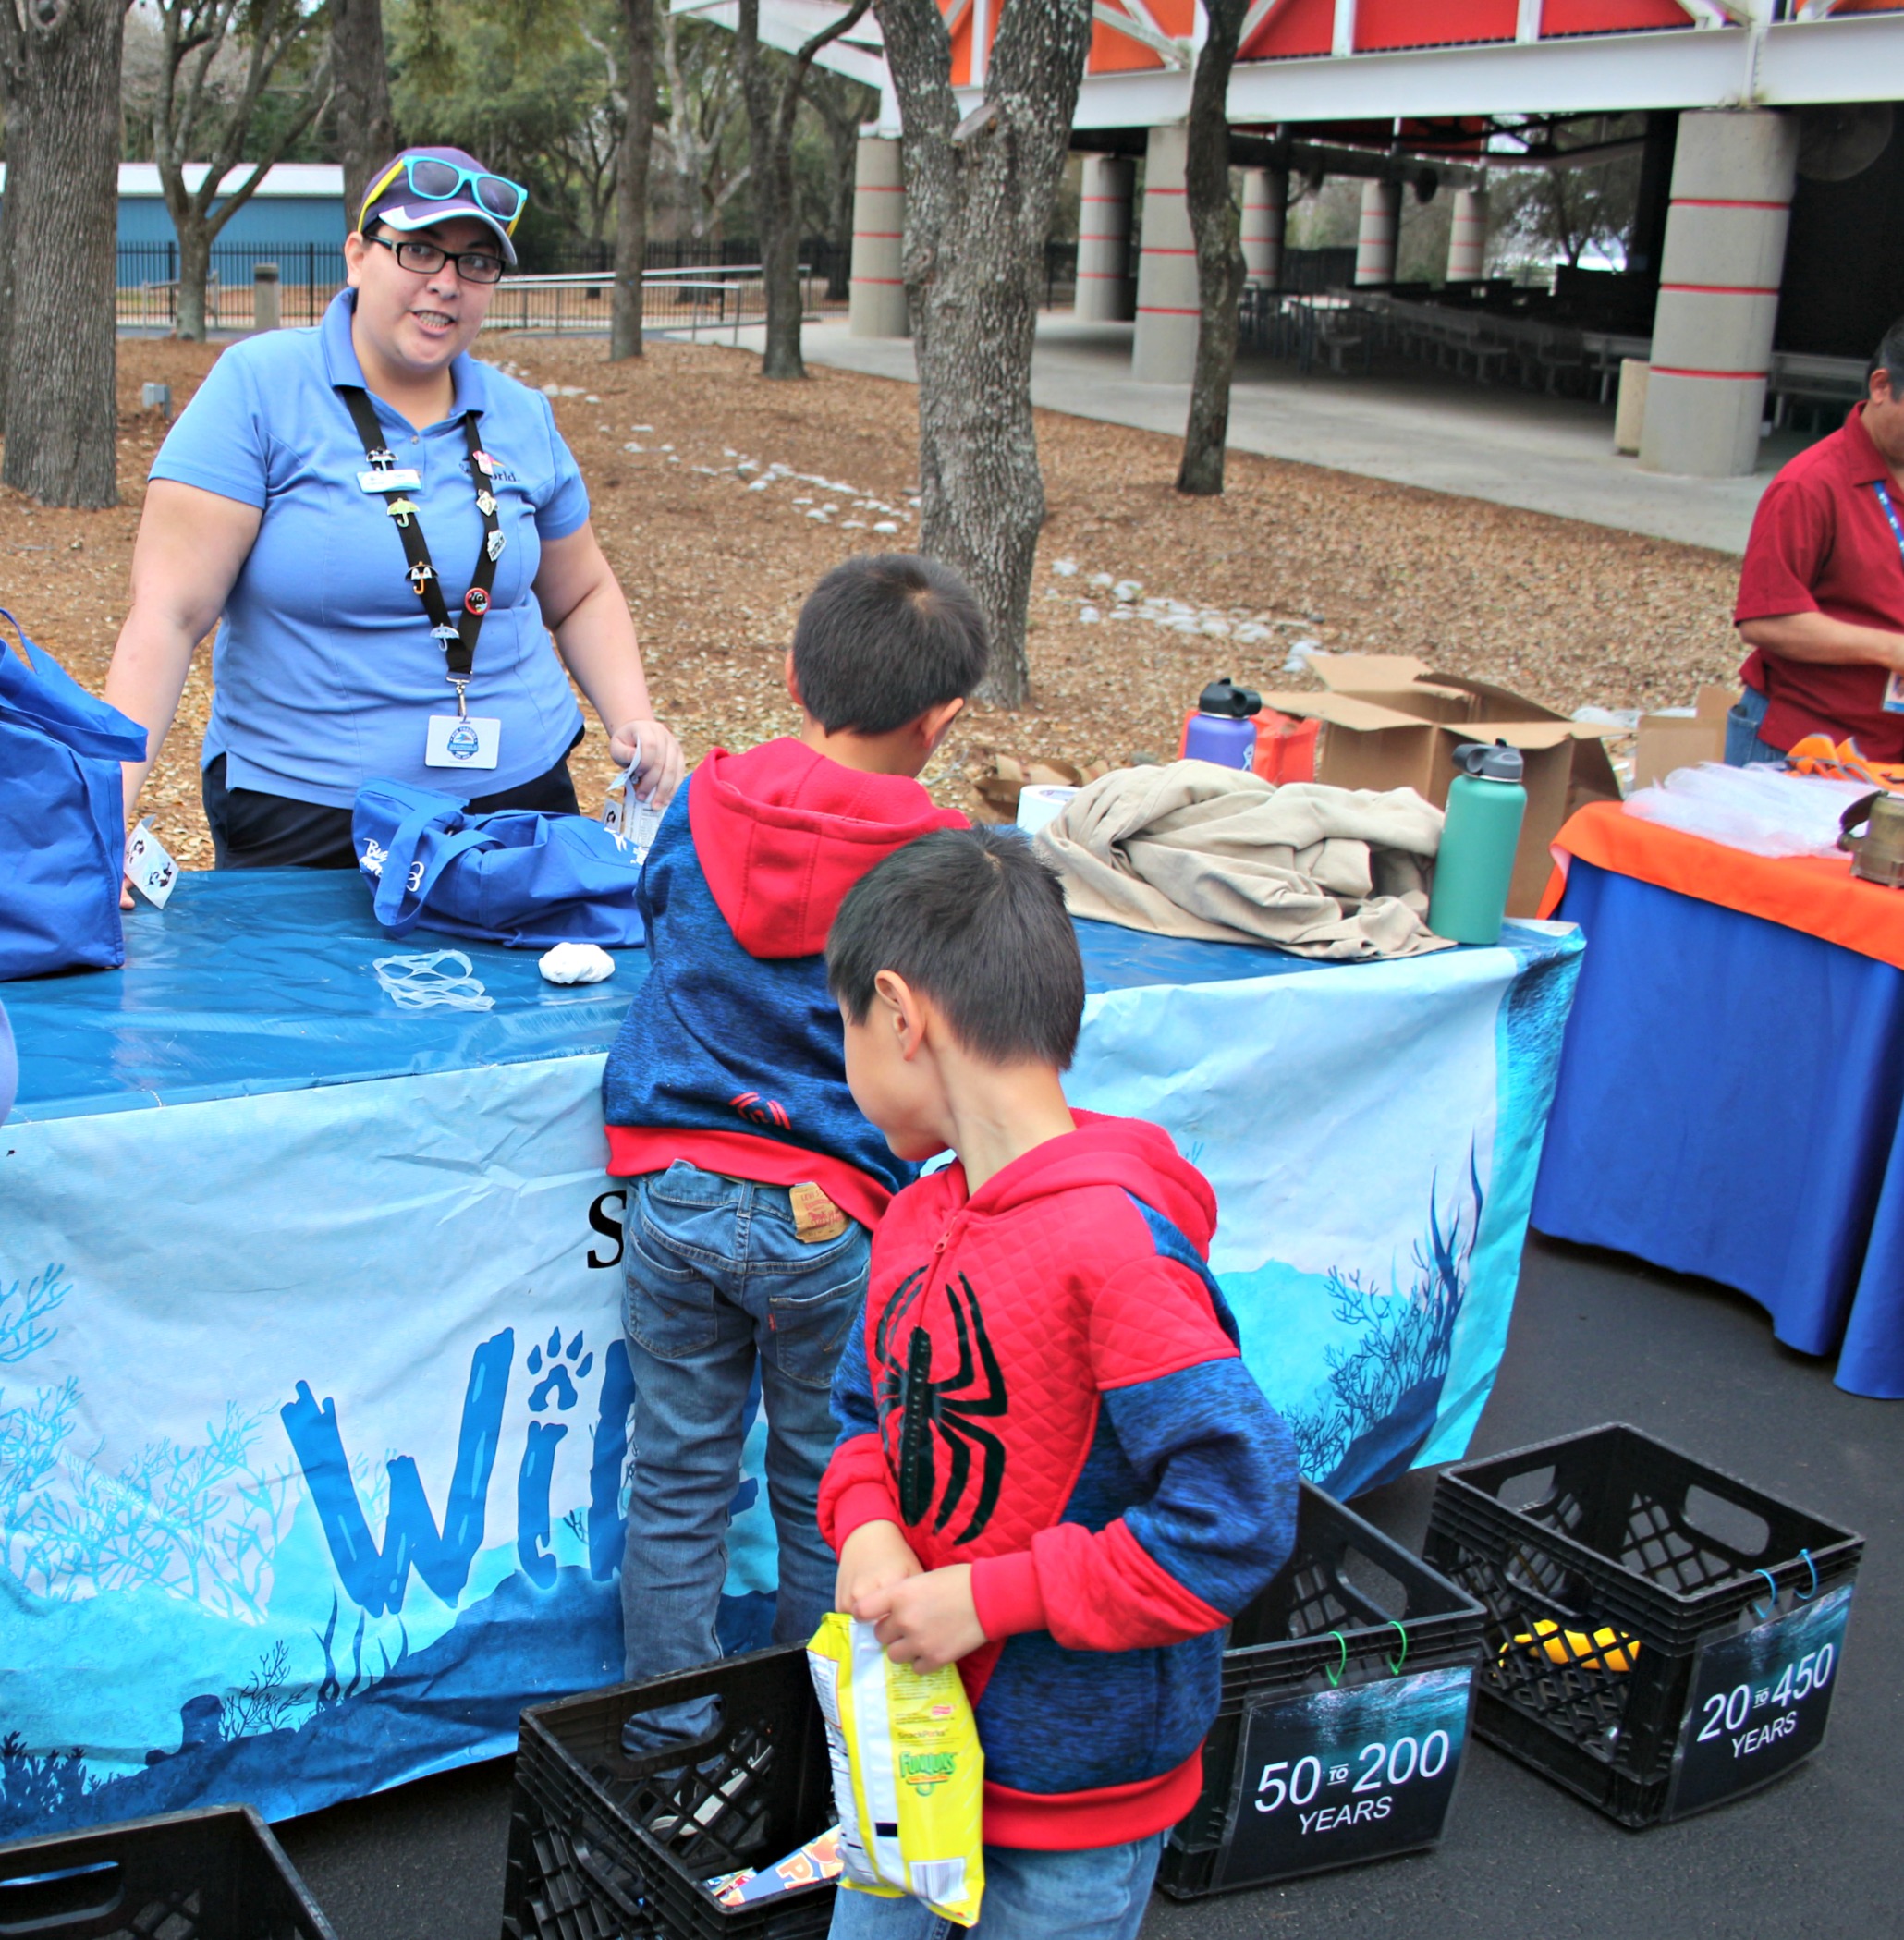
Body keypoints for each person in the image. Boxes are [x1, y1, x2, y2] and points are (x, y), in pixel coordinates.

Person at [819, 826, 1300, 1940]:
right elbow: (860, 1412)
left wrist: (987, 1599)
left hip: (1075, 1801)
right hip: (907, 1762)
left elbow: (1234, 1513)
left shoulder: (1116, 1251)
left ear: (898, 1012)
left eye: (840, 1024)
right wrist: (866, 1521)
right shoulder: (912, 1221)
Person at [600, 554, 986, 1751]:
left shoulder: (708, 796)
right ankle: (820, 1742)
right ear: (944, 720)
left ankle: (668, 1744)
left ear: (791, 675)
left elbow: (657, 916)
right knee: (835, 1491)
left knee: (674, 1478)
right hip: (835, 1210)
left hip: (671, 1186)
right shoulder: (943, 860)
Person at [104, 146, 681, 872]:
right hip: (312, 816)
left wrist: (634, 719)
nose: (446, 283)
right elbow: (166, 615)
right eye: (419, 251)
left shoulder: (520, 414)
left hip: (518, 802)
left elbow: (582, 592)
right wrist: (108, 806)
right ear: (357, 256)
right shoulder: (258, 390)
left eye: (475, 263)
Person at [1730, 313, 1904, 768]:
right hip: (1800, 746)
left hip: (1890, 752)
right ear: (1881, 387)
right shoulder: (1810, 484)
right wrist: (1891, 649)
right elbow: (1764, 621)